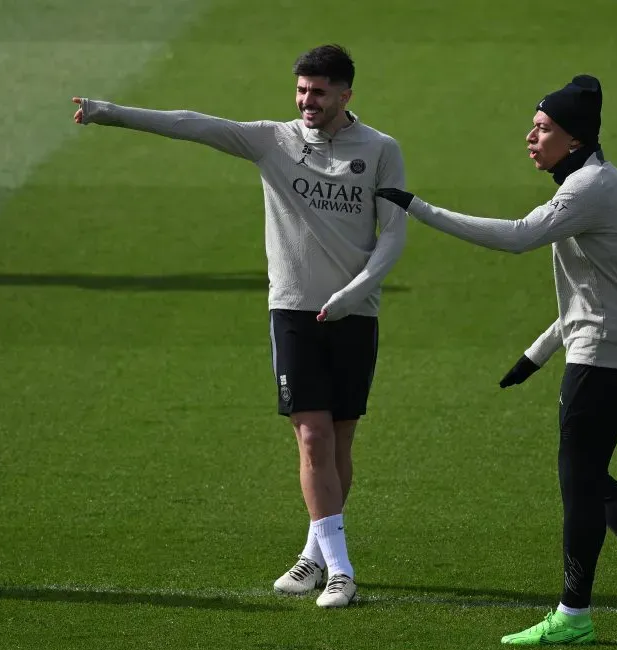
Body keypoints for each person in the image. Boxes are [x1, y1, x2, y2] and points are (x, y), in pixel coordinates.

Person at [72, 44, 406, 608]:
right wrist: (109, 111)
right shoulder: (273, 140)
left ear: (346, 94)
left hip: (354, 313)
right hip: (295, 309)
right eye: (301, 89)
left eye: (319, 92)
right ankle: (342, 572)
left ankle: (314, 554)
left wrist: (354, 294)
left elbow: (393, 233)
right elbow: (193, 125)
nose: (306, 101)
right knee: (312, 436)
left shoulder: (380, 150)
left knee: (340, 441)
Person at [375, 75, 617, 645]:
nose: (531, 136)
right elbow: (592, 293)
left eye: (543, 129)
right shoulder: (593, 180)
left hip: (605, 354)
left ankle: (575, 615)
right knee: (589, 474)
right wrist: (536, 353)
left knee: (580, 480)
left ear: (573, 140)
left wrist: (418, 208)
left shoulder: (589, 187)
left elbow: (518, 237)